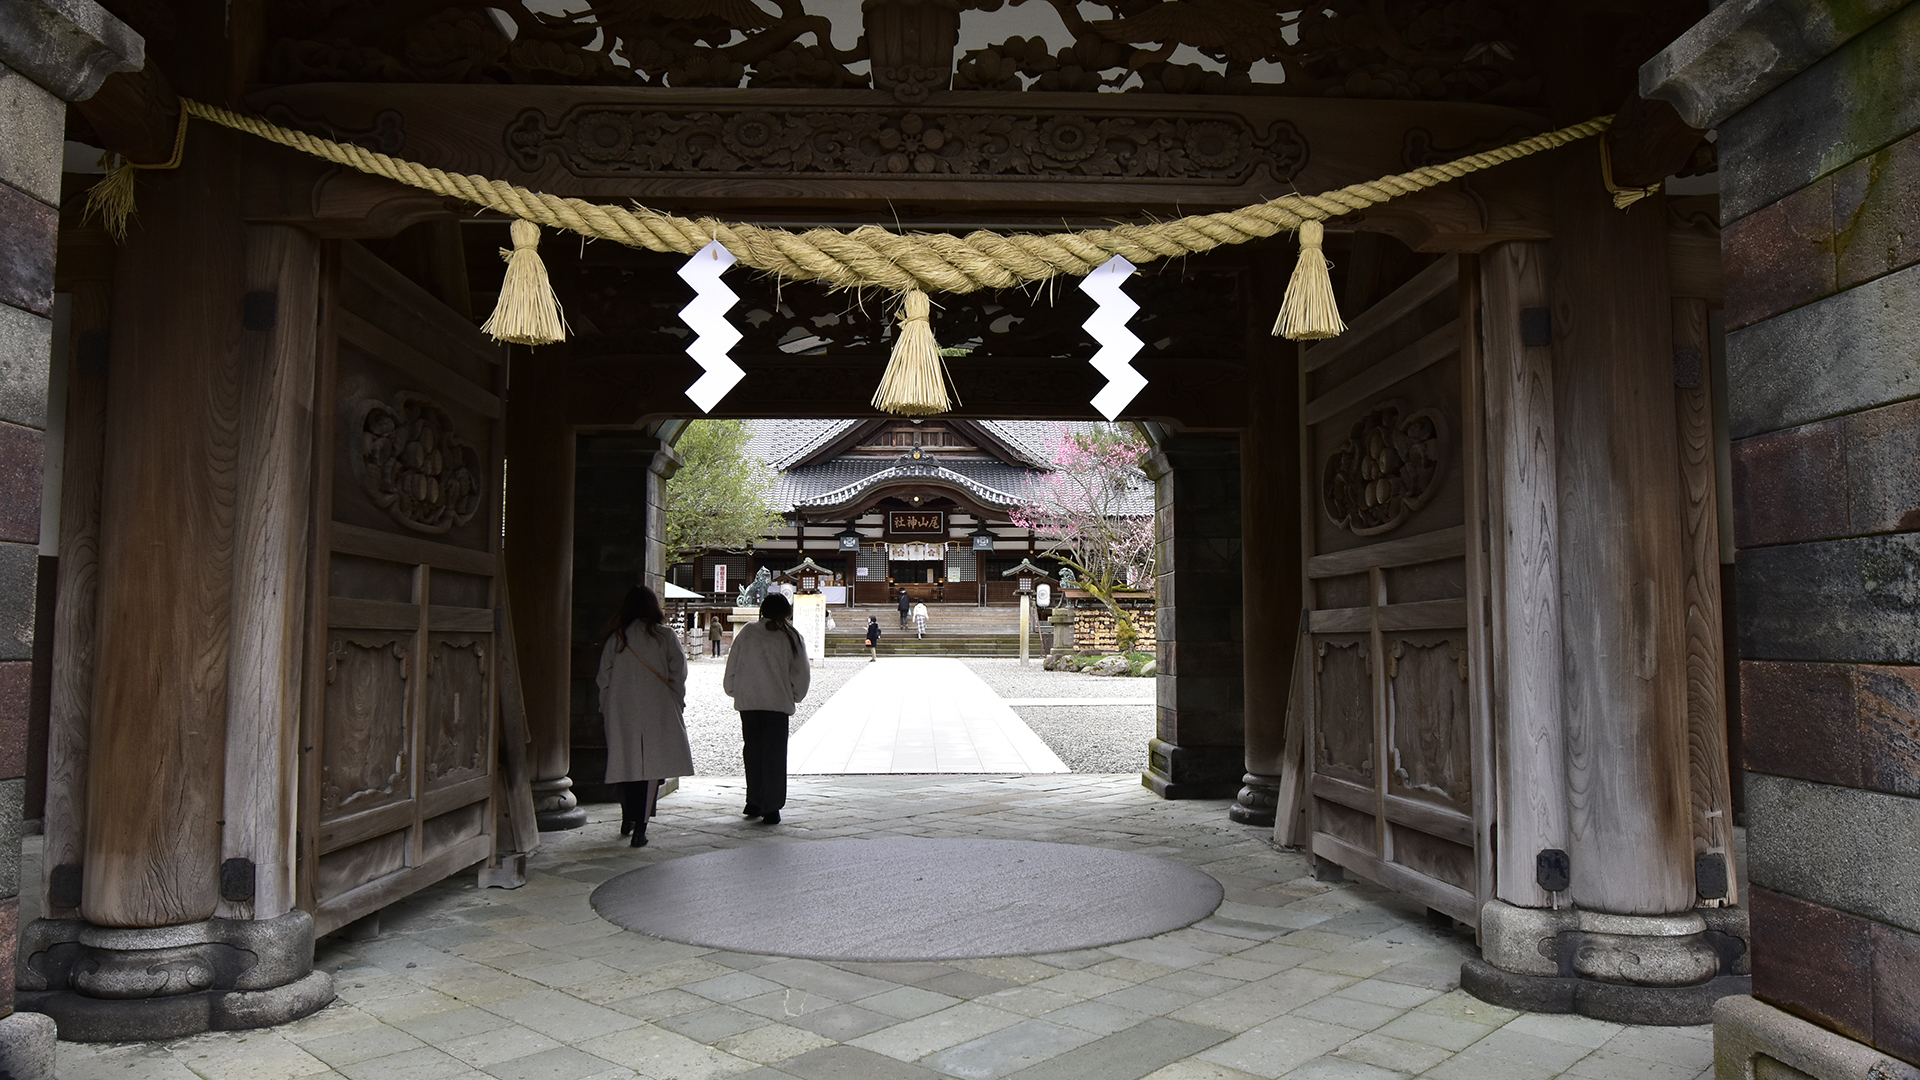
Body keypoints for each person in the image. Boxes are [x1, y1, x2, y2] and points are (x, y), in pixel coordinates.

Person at [595, 585, 692, 848]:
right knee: (651, 767)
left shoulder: (617, 638)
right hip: (657, 706)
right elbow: (678, 672)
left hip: (622, 708)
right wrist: (675, 700)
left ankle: (627, 817)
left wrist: (608, 706)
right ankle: (642, 825)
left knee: (625, 762)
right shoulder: (665, 636)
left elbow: (603, 678)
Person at [723, 592, 811, 824]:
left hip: (750, 703)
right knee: (774, 755)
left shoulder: (748, 632)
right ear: (786, 612)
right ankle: (771, 806)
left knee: (752, 753)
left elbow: (733, 664)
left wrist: (733, 689)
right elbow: (801, 674)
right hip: (777, 704)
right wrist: (795, 695)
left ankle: (754, 800)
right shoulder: (791, 636)